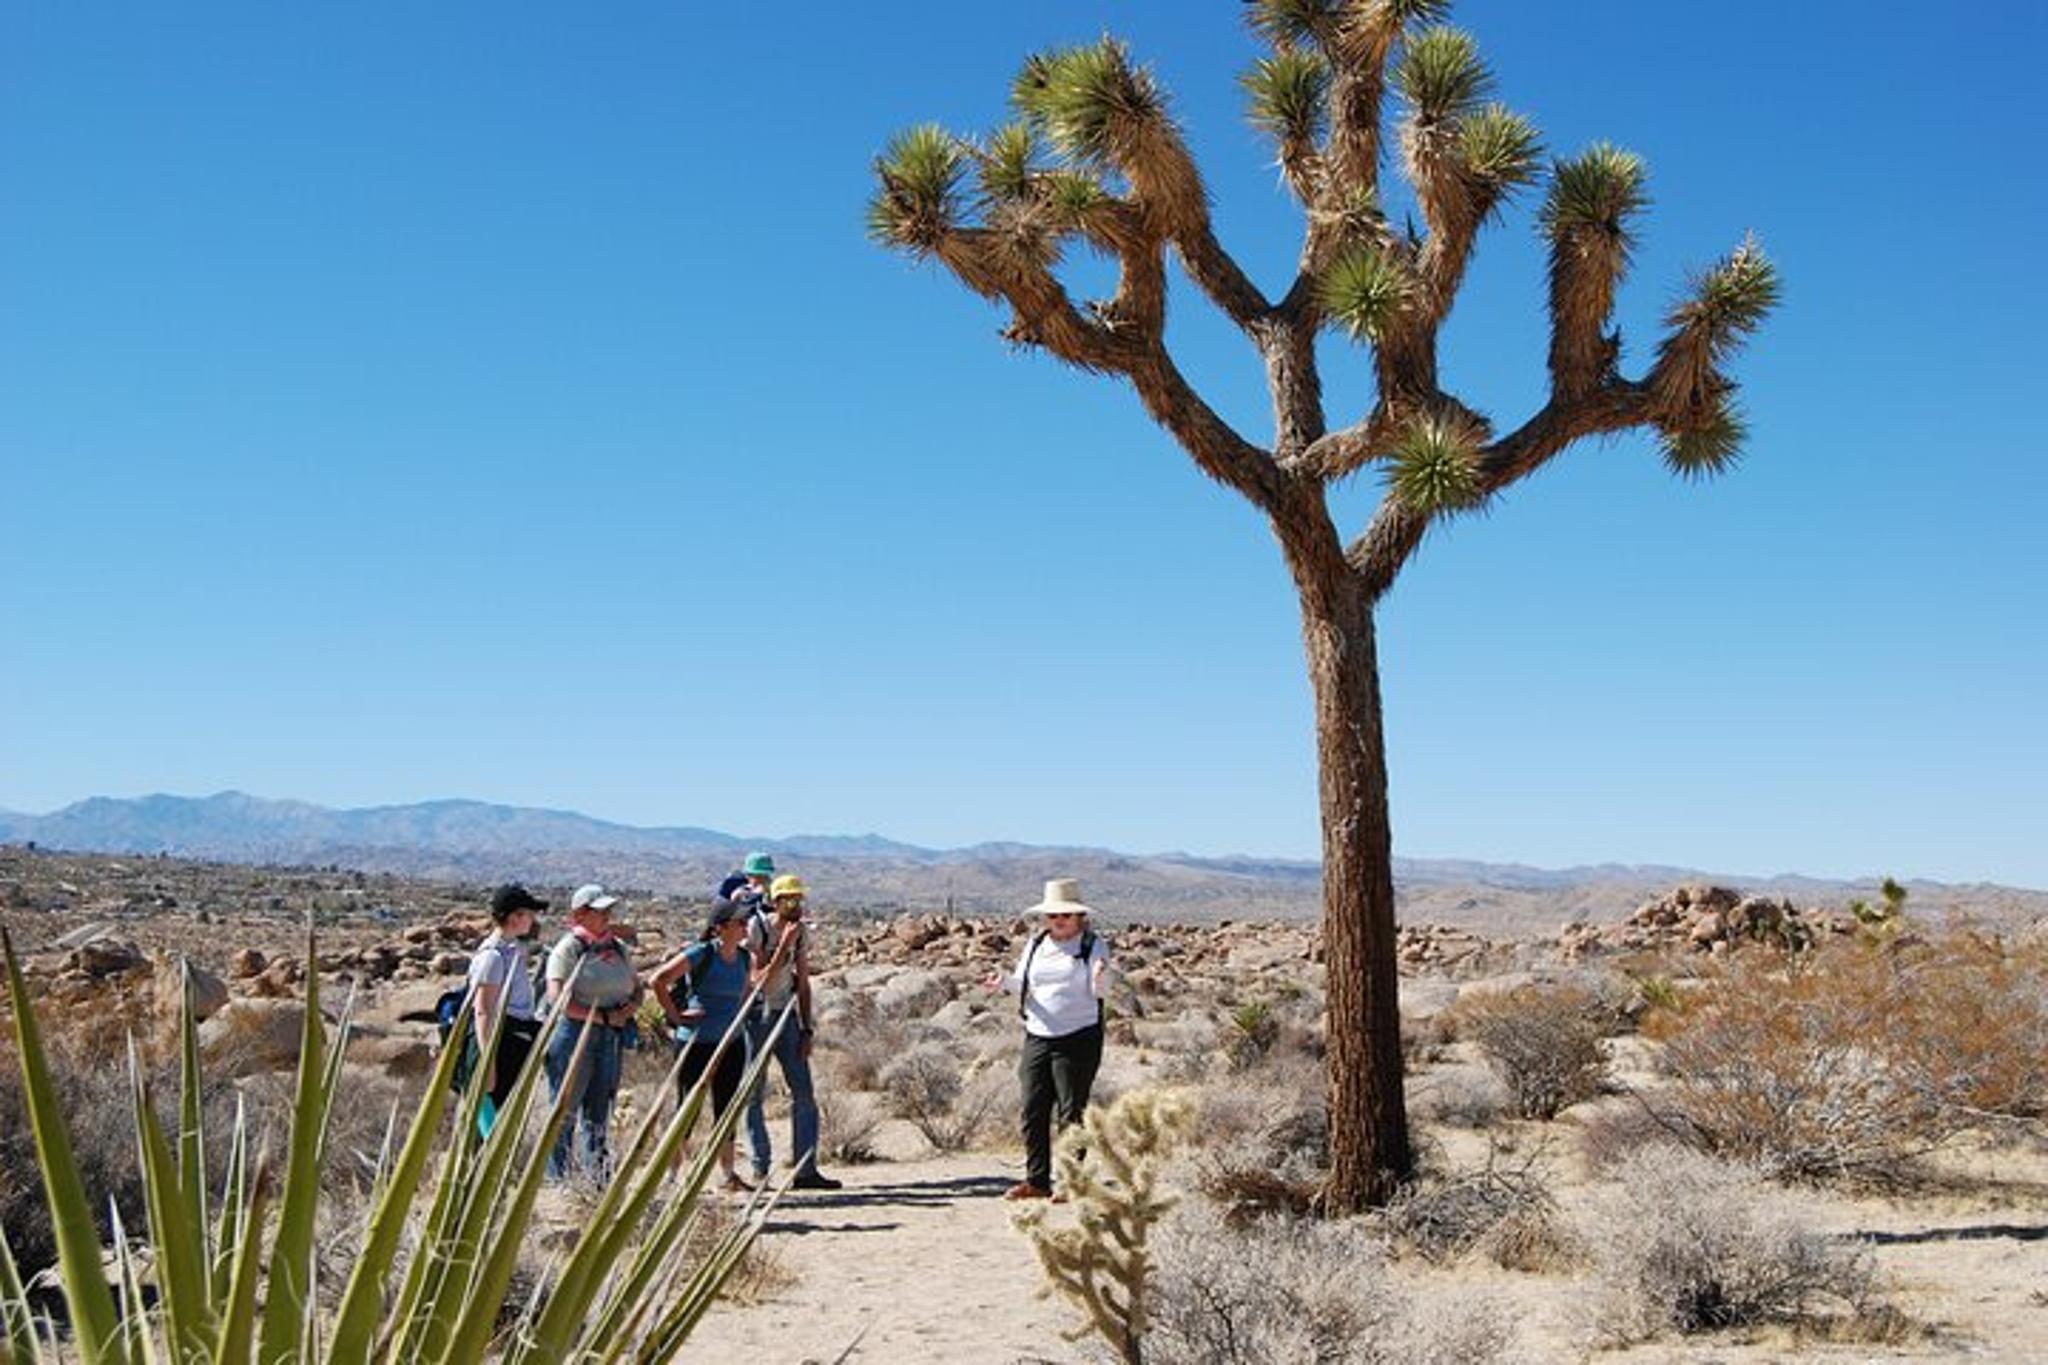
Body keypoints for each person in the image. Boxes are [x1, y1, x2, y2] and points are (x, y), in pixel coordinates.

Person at [650, 896, 796, 1193]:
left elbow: (749, 989)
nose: (745, 927)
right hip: (695, 1043)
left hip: (730, 1043)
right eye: (740, 922)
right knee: (687, 1110)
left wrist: (783, 948)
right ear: (721, 927)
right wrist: (676, 1017)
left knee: (726, 1109)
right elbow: (658, 980)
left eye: (745, 922)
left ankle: (727, 1175)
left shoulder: (743, 958)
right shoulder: (701, 954)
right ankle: (671, 1177)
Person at [983, 878, 1112, 1201]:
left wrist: (1100, 976)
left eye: (1066, 915)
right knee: (1033, 1110)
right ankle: (1037, 1181)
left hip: (1078, 1037)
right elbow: (1023, 983)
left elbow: (1100, 990)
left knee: (1071, 1113)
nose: (1059, 920)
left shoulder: (1092, 945)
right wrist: (1003, 982)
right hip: (1038, 1035)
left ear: (1079, 916)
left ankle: (1070, 1181)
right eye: (1053, 915)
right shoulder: (1037, 944)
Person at [742, 874, 841, 1190]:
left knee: (804, 1093)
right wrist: (783, 944)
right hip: (757, 1016)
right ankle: (760, 1169)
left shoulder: (800, 934)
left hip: (787, 1017)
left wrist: (807, 1028)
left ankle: (805, 1169)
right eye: (790, 900)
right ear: (776, 902)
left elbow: (803, 983)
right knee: (753, 1095)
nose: (797, 905)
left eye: (799, 899)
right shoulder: (757, 928)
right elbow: (759, 979)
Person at [542, 883, 643, 1181]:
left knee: (600, 1110)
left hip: (611, 1035)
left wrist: (631, 1007)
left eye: (608, 910)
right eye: (600, 911)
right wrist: (600, 1016)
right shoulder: (568, 949)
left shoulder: (618, 948)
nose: (607, 916)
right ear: (580, 914)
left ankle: (596, 1178)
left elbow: (637, 986)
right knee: (565, 1109)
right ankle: (558, 1178)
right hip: (575, 1035)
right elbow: (557, 998)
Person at [469, 883, 547, 1112]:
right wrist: (488, 1065)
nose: (533, 919)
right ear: (515, 917)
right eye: (529, 914)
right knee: (497, 1113)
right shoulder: (492, 957)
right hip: (502, 1044)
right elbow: (483, 1011)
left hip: (515, 1039)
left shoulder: (511, 950)